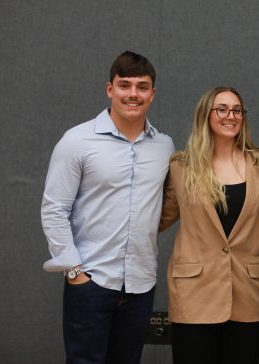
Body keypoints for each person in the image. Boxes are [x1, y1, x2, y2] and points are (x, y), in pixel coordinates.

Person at [41, 51, 174, 364]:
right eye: (124, 85)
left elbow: (163, 204)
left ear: (152, 94)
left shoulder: (164, 146)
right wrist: (75, 272)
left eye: (142, 87)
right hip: (91, 281)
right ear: (109, 89)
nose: (133, 94)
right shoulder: (77, 141)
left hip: (140, 285)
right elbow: (54, 209)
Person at [158, 86, 259, 364]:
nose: (230, 115)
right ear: (206, 115)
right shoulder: (181, 167)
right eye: (222, 109)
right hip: (193, 294)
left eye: (237, 110)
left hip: (247, 293)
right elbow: (157, 219)